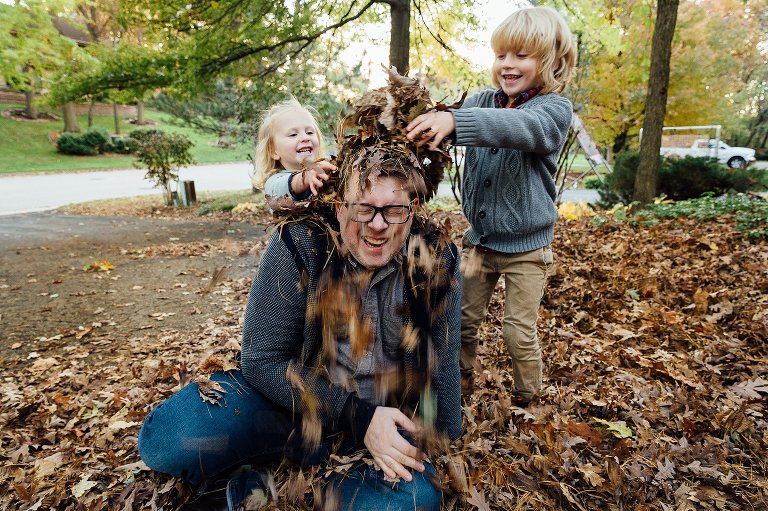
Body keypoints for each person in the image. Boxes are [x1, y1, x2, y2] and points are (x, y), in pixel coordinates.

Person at [138, 83, 462, 510]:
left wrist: (445, 439)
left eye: (394, 210)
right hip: (292, 406)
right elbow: (262, 360)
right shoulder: (301, 242)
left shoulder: (435, 257)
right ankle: (269, 468)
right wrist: (355, 416)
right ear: (338, 205)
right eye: (363, 208)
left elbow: (443, 356)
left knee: (415, 499)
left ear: (413, 209)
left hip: (377, 419)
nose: (378, 225)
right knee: (168, 438)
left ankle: (318, 486)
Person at [406, 5, 578, 405]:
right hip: (480, 243)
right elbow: (449, 121)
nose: (508, 64)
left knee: (518, 332)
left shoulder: (553, 110)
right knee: (462, 319)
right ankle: (460, 381)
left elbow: (521, 128)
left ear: (552, 60)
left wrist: (459, 123)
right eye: (501, 55)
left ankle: (528, 398)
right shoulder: (483, 99)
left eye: (522, 55)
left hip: (528, 249)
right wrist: (429, 124)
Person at [251, 97, 333, 209]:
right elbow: (278, 190)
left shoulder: (325, 173)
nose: (305, 138)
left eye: (309, 132)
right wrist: (304, 178)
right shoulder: (273, 182)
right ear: (273, 151)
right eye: (293, 134)